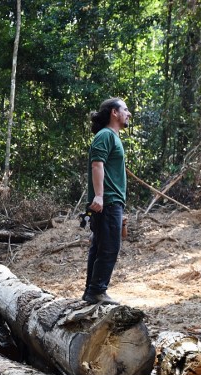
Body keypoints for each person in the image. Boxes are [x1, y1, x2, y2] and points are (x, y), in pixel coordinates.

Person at [83, 97, 131, 305]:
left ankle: (91, 291)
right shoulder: (105, 136)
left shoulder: (111, 137)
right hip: (107, 201)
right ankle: (97, 290)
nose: (129, 113)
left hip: (112, 201)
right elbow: (97, 165)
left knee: (100, 246)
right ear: (114, 112)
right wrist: (100, 196)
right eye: (125, 109)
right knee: (109, 247)